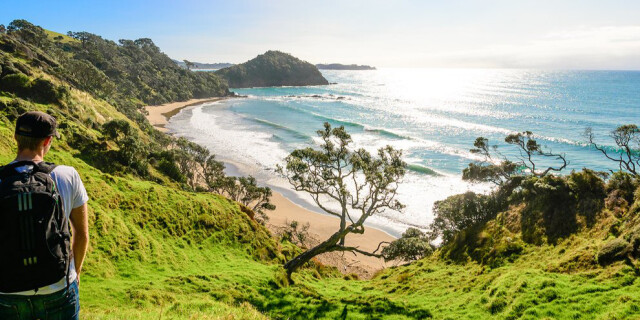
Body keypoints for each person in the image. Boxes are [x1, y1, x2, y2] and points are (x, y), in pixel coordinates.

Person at [0, 111, 89, 320]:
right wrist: (75, 273)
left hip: (7, 291)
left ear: (15, 137)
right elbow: (82, 234)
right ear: (48, 140)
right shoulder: (68, 175)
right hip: (57, 286)